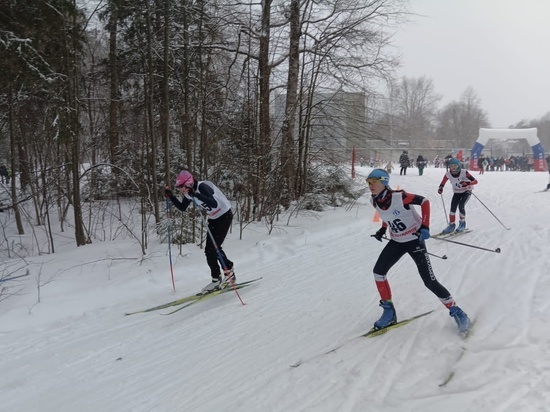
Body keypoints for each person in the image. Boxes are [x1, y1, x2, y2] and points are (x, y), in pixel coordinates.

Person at [367, 168, 472, 335]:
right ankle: (389, 312)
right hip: (397, 240)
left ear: (384, 181)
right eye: (368, 182)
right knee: (378, 272)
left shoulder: (399, 196)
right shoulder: (375, 200)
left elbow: (424, 202)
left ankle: (458, 312)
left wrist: (425, 226)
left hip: (414, 240)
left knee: (429, 281)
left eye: (373, 182)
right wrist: (382, 229)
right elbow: (387, 216)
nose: (370, 185)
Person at [165, 170, 236, 294]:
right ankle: (216, 279)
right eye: (179, 187)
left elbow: (213, 203)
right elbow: (182, 208)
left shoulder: (203, 186)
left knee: (215, 247)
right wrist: (171, 197)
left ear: (189, 182)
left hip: (224, 215)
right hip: (214, 219)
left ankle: (229, 272)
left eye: (182, 186)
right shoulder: (188, 193)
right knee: (209, 250)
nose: (181, 189)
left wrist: (196, 194)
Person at [438, 158, 478, 234]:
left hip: (466, 191)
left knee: (461, 205)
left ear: (458, 166)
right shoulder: (448, 174)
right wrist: (441, 188)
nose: (453, 167)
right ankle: (451, 225)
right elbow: (442, 183)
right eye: (451, 166)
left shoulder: (464, 172)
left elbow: (475, 181)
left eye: (455, 166)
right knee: (452, 208)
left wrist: (467, 183)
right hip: (456, 192)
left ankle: (462, 224)